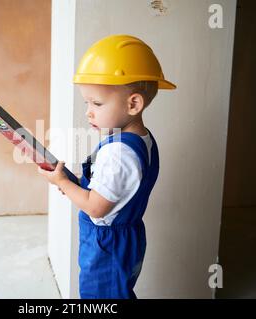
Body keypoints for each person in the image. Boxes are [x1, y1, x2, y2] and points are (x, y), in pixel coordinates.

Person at [38, 34, 176, 298]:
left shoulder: (118, 152)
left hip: (107, 244)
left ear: (133, 103)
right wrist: (72, 183)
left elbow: (96, 206)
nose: (88, 112)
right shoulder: (141, 140)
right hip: (127, 237)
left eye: (97, 103)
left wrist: (63, 184)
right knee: (117, 293)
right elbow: (113, 189)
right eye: (86, 102)